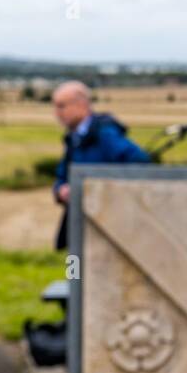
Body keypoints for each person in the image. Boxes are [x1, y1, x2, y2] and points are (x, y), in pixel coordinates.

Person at [50, 81, 150, 249]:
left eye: (61, 106)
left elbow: (140, 164)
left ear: (81, 104)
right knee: (77, 272)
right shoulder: (74, 139)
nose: (57, 113)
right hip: (81, 225)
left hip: (109, 226)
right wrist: (61, 191)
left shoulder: (105, 135)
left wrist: (105, 191)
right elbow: (62, 176)